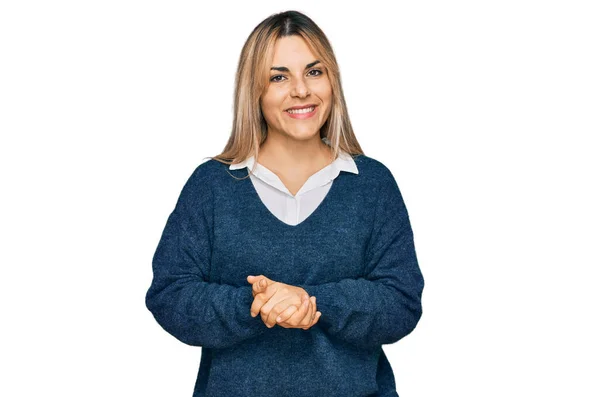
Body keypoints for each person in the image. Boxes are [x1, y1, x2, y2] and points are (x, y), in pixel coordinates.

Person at [145, 10, 425, 397]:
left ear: (332, 81)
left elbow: (401, 303)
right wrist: (256, 304)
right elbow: (170, 295)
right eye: (279, 77)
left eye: (314, 72)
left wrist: (311, 300)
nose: (301, 90)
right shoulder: (210, 186)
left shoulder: (373, 186)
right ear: (254, 91)